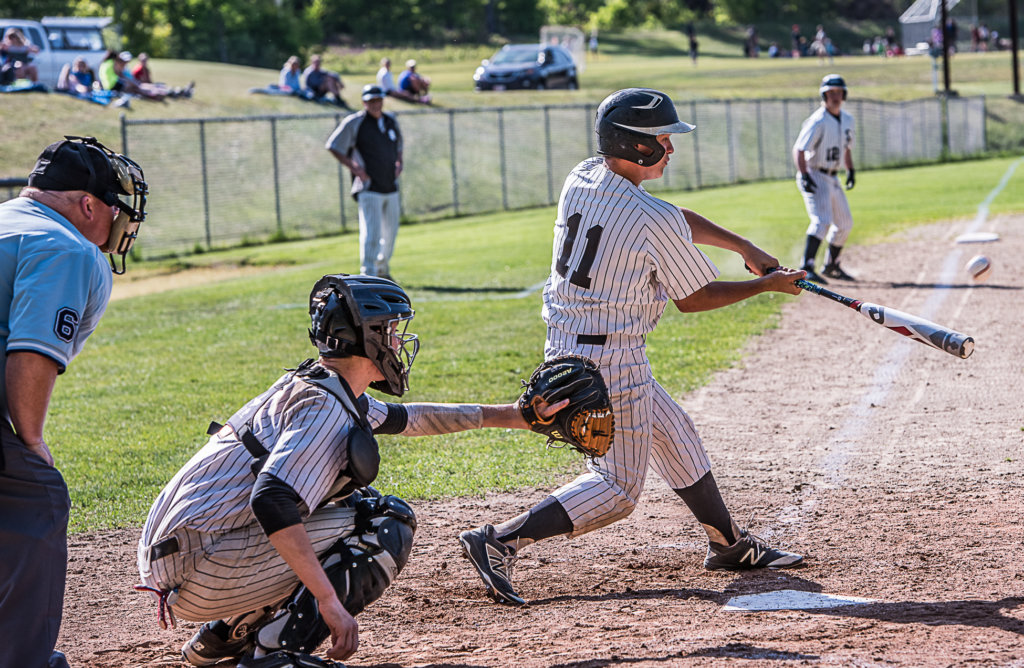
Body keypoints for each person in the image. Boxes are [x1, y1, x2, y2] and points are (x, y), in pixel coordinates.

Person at [458, 88, 806, 607]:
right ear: (637, 147)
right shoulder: (649, 218)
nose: (671, 148)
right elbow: (694, 298)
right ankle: (500, 540)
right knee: (618, 490)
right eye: (663, 139)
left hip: (570, 347)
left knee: (676, 434)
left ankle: (728, 544)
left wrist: (743, 246)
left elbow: (672, 217)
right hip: (609, 360)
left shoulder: (581, 176)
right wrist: (765, 286)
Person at [137, 273, 567, 668]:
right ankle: (272, 655)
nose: (398, 342)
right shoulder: (325, 408)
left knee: (353, 504)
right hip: (199, 566)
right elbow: (271, 499)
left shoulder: (322, 387)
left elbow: (411, 418)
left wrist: (515, 416)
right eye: (391, 331)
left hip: (184, 556)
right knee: (383, 523)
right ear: (368, 337)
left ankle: (225, 637)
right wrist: (328, 601)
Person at [0, 136, 148, 668]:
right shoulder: (65, 245)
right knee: (36, 497)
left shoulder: (8, 221)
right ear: (88, 204)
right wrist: (31, 440)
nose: (120, 219)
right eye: (114, 207)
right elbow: (31, 352)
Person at [325, 85, 403, 280]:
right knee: (372, 234)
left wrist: (399, 162)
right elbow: (334, 146)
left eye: (378, 100)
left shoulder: (390, 121)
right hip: (369, 187)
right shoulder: (355, 122)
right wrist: (356, 169)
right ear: (364, 102)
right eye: (371, 101)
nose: (375, 104)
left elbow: (399, 146)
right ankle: (368, 274)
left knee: (390, 234)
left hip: (390, 185)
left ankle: (383, 271)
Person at [793, 74, 857, 284]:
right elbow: (799, 149)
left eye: (839, 92)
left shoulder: (847, 119)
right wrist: (804, 175)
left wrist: (850, 169)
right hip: (815, 173)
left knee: (845, 223)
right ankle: (806, 266)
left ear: (844, 95)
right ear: (824, 95)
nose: (835, 96)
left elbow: (846, 148)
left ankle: (831, 265)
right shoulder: (818, 120)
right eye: (831, 93)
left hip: (833, 176)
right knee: (822, 221)